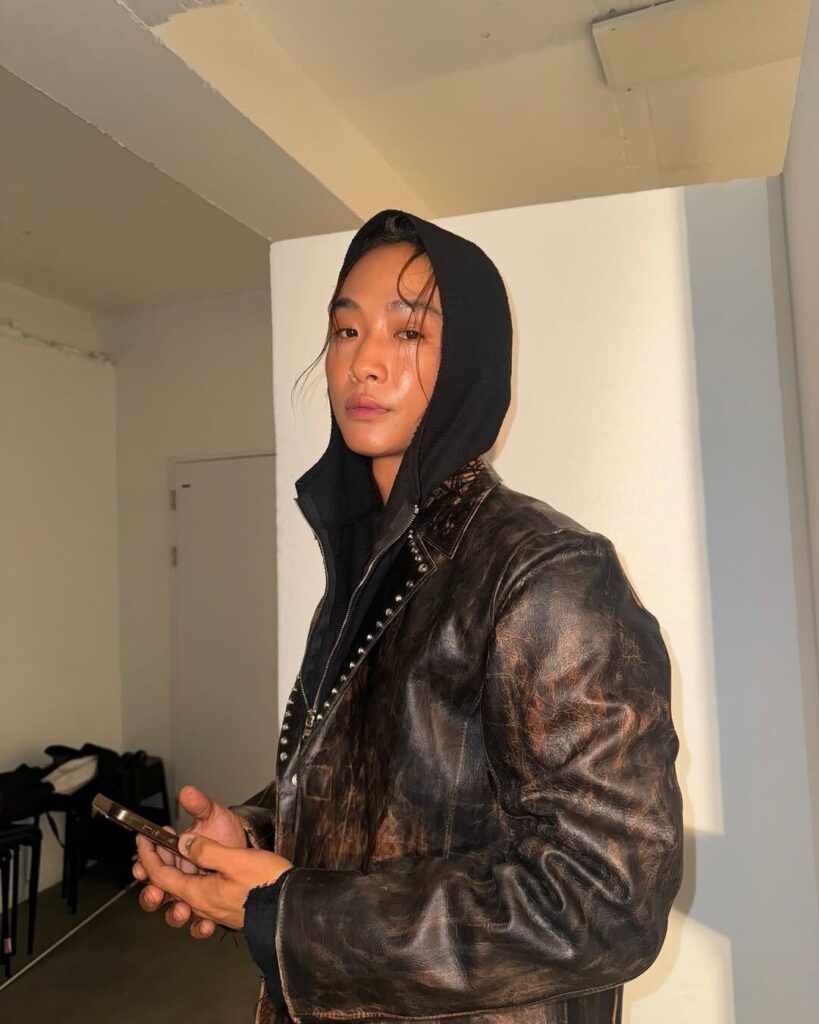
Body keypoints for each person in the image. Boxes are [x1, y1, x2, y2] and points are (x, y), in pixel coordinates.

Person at [134, 210, 684, 1024]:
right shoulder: (367, 567)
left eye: (409, 331)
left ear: (468, 361)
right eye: (345, 330)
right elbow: (387, 800)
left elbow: (605, 902)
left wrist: (291, 913)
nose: (364, 361)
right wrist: (249, 840)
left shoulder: (543, 570)